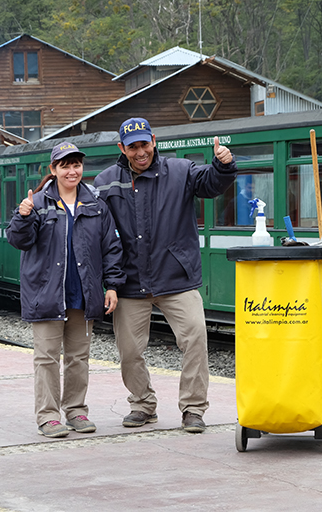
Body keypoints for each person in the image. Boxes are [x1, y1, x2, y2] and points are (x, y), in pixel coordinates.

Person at [94, 117, 237, 433]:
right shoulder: (105, 182)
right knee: (129, 351)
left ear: (154, 141)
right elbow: (95, 229)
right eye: (133, 147)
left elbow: (211, 183)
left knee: (196, 338)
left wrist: (223, 166)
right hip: (131, 282)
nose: (140, 152)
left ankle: (193, 409)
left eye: (145, 144)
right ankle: (143, 405)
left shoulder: (181, 171)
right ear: (122, 148)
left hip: (175, 278)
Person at [7, 141, 125, 439]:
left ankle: (75, 411)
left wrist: (111, 285)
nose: (72, 171)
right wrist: (22, 217)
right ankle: (48, 416)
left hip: (83, 293)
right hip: (47, 293)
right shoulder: (38, 202)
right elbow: (18, 240)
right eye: (65, 165)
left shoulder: (96, 204)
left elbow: (111, 247)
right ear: (54, 169)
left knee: (78, 357)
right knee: (46, 357)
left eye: (76, 165)